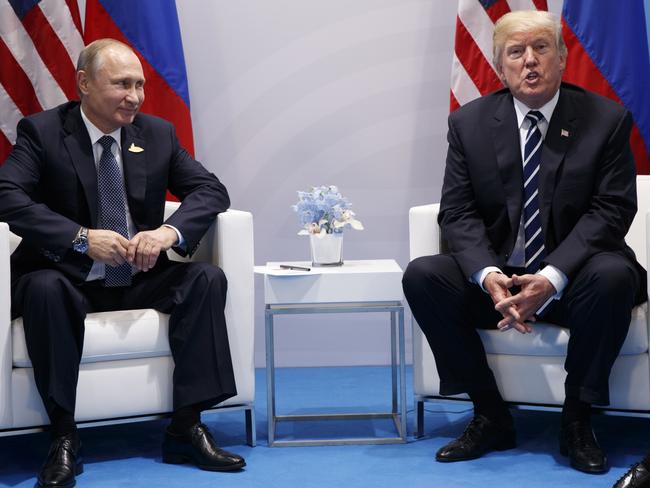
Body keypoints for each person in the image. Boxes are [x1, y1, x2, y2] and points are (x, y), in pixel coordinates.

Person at [402, 10, 646, 475]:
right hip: (500, 281)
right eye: (516, 52)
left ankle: (577, 419)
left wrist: (551, 278)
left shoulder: (606, 119)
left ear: (563, 58)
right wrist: (490, 277)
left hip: (576, 280)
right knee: (424, 275)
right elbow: (457, 212)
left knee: (614, 275)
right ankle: (489, 413)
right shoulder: (470, 123)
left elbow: (612, 210)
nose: (529, 61)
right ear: (500, 66)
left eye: (541, 48)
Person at [0, 39, 246, 487]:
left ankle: (185, 426)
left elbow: (211, 191)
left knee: (205, 278)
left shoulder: (156, 134)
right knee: (43, 288)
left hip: (135, 275)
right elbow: (6, 195)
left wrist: (167, 233)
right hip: (66, 275)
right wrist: (80, 239)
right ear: (84, 84)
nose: (135, 96)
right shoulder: (43, 132)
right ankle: (63, 436)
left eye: (140, 85)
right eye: (121, 84)